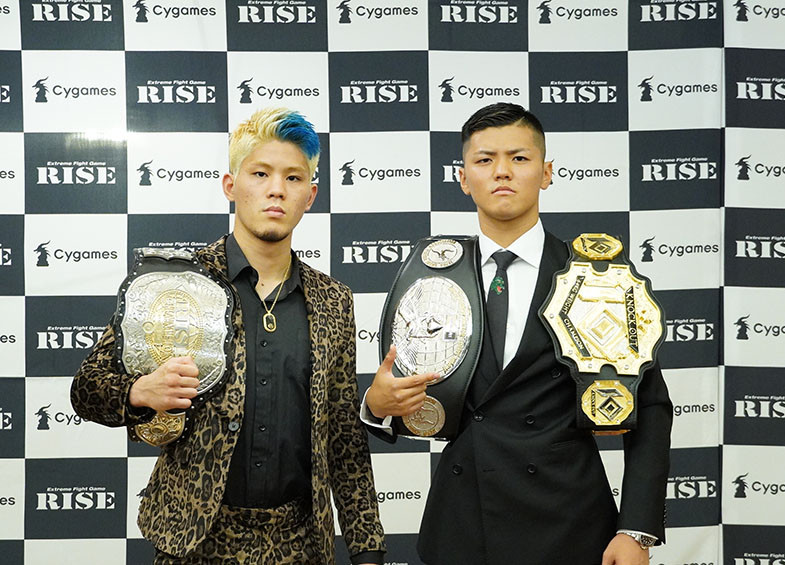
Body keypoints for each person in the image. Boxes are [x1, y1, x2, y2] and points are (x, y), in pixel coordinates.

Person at [72, 107, 385, 565]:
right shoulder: (176, 281)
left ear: (310, 195)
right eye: (260, 173)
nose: (277, 189)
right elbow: (87, 389)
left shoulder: (333, 301)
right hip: (193, 541)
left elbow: (343, 437)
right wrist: (138, 392)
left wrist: (367, 547)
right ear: (230, 185)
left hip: (299, 543)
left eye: (293, 178)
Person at [362, 103, 672, 565]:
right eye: (484, 160)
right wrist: (376, 406)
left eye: (519, 158)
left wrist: (636, 530)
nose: (502, 171)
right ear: (463, 178)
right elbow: (399, 395)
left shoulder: (598, 279)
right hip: (462, 526)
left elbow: (649, 407)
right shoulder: (432, 276)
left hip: (569, 525)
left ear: (546, 173)